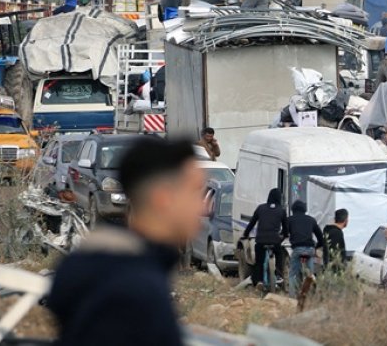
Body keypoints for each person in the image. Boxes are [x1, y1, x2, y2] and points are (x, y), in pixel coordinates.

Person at [49, 137, 205, 346]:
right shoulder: (133, 290)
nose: (202, 207)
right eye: (194, 193)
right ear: (164, 199)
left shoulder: (111, 265)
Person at [241, 188, 288, 290]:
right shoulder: (282, 211)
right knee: (279, 255)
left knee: (259, 261)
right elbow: (285, 230)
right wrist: (281, 238)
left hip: (261, 240)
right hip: (275, 240)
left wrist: (245, 234)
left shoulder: (260, 208)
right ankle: (279, 276)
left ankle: (259, 280)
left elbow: (251, 224)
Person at [286, 199, 324, 295]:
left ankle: (292, 297)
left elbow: (284, 233)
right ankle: (311, 293)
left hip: (297, 249)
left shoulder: (289, 219)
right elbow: (321, 238)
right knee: (309, 274)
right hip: (310, 250)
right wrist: (316, 247)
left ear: (292, 210)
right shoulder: (311, 220)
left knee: (292, 274)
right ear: (304, 209)